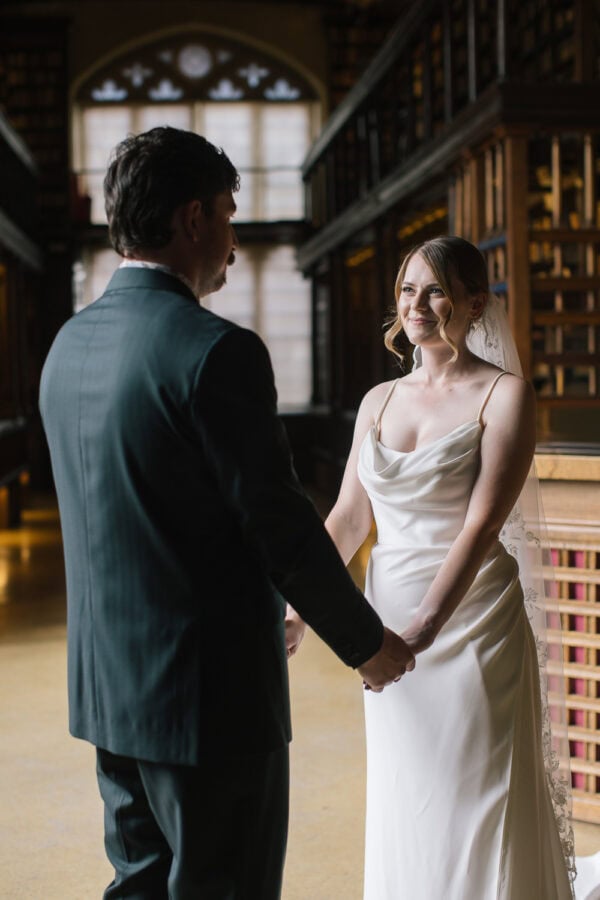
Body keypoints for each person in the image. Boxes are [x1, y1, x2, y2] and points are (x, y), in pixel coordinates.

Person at [38, 127, 415, 900]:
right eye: (231, 217)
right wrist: (364, 642)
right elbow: (277, 525)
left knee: (138, 883)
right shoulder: (216, 351)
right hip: (207, 703)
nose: (236, 245)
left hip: (109, 691)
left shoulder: (67, 347)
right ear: (194, 219)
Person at [316, 236, 574, 898]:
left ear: (473, 302)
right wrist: (301, 604)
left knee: (479, 798)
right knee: (409, 793)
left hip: (470, 627)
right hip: (386, 628)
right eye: (407, 289)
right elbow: (349, 518)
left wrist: (426, 628)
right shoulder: (378, 400)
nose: (417, 304)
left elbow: (483, 523)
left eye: (434, 290)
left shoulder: (505, 395)